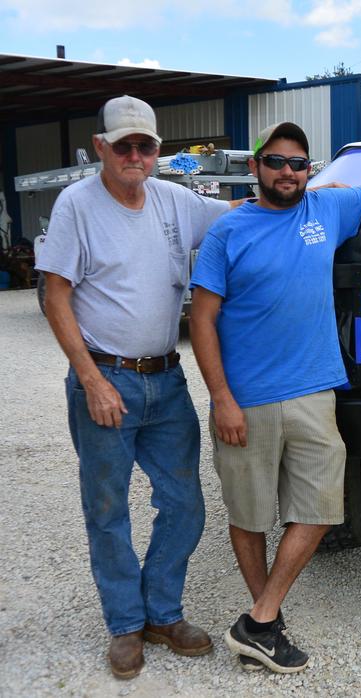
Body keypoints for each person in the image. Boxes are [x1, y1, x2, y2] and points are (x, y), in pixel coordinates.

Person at [189, 122, 361, 674]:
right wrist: (221, 399)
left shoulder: (325, 211)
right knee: (250, 513)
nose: (288, 171)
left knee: (322, 507)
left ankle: (259, 618)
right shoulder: (228, 232)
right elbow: (204, 320)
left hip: (313, 394)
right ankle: (267, 624)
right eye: (277, 162)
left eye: (299, 163)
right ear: (256, 167)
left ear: (310, 170)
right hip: (247, 399)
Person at [35, 95, 243, 679]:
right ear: (100, 147)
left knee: (184, 504)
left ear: (158, 151)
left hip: (167, 380)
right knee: (107, 510)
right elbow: (55, 297)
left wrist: (317, 196)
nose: (133, 155)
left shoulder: (176, 201)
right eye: (121, 144)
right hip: (107, 381)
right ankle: (125, 624)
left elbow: (244, 212)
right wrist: (91, 380)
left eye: (144, 145)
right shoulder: (77, 205)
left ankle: (162, 612)